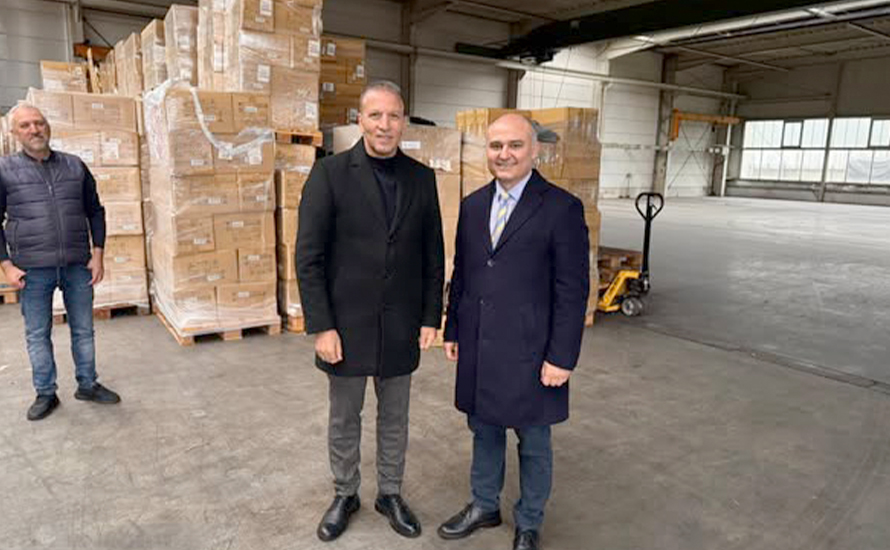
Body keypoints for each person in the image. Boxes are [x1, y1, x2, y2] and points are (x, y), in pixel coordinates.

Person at [295, 81, 445, 542]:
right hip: (346, 325)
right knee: (345, 417)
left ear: (404, 122)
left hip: (401, 322)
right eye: (375, 115)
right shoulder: (330, 174)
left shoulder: (422, 179)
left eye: (393, 116)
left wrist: (430, 316)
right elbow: (308, 256)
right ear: (359, 120)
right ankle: (345, 493)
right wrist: (322, 326)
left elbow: (433, 254)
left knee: (395, 416)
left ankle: (390, 493)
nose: (385, 125)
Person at [438, 114, 590, 550]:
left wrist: (562, 357)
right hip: (481, 342)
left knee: (533, 439)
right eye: (496, 146)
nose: (504, 154)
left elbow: (572, 289)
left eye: (515, 145)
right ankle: (484, 504)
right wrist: (454, 327)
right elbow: (463, 272)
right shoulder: (473, 205)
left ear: (535, 150)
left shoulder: (561, 208)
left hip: (532, 349)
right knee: (484, 429)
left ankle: (529, 522)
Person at [0, 104, 121, 422]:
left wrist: (98, 254)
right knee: (37, 333)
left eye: (39, 123)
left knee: (83, 330)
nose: (34, 129)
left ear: (48, 126)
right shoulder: (4, 170)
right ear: (14, 133)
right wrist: (6, 265)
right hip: (31, 269)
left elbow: (95, 211)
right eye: (25, 125)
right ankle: (45, 392)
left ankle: (88, 384)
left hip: (76, 265)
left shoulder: (74, 166)